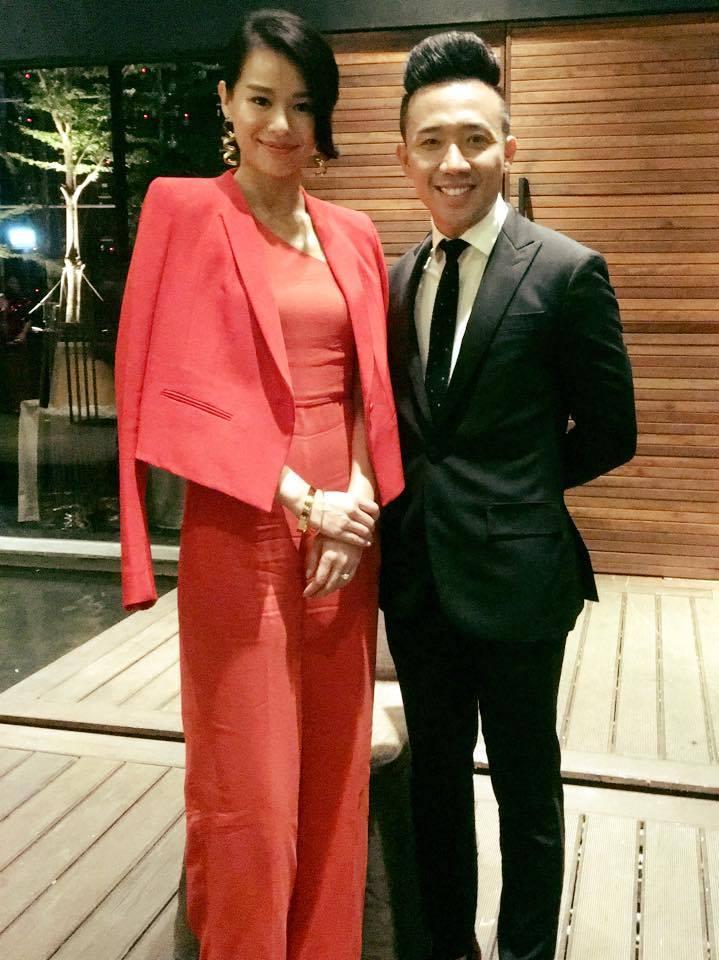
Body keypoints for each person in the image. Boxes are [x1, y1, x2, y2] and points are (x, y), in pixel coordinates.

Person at [115, 9, 403, 960]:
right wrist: (303, 500)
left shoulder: (355, 233)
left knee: (332, 780)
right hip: (243, 526)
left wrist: (354, 501)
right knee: (251, 791)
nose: (282, 124)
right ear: (225, 103)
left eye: (303, 105)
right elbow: (164, 384)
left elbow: (369, 383)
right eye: (261, 99)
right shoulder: (183, 210)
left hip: (345, 537)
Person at [379, 31, 637, 960]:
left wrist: (518, 488)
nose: (453, 161)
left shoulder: (566, 271)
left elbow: (611, 430)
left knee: (526, 784)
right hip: (418, 577)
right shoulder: (393, 278)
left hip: (521, 579)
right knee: (434, 782)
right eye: (431, 142)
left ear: (506, 147)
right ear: (404, 155)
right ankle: (446, 946)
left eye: (474, 139)